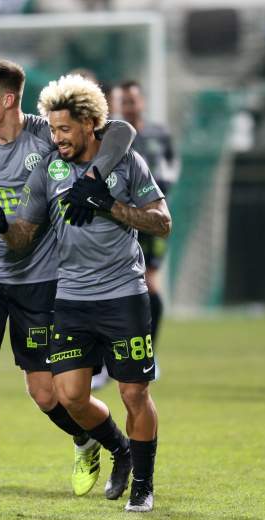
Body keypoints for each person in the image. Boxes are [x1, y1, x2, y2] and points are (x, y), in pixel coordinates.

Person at [0, 60, 135, 516]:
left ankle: (108, 444)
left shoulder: (47, 135)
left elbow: (122, 131)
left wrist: (93, 176)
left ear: (7, 99)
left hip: (41, 283)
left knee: (47, 395)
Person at [0, 74, 171, 512]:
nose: (57, 138)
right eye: (53, 130)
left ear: (89, 123)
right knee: (69, 396)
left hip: (124, 293)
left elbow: (162, 222)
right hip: (70, 298)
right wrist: (2, 229)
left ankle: (143, 486)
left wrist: (110, 205)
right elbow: (24, 236)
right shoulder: (47, 169)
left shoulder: (126, 163)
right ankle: (120, 448)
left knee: (134, 394)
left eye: (65, 129)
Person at [91, 80, 179, 389]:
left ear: (141, 102)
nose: (127, 106)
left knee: (149, 286)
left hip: (147, 219)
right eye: (122, 101)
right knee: (107, 287)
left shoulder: (158, 134)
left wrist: (151, 195)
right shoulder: (110, 137)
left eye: (132, 100)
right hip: (115, 219)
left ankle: (146, 353)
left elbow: (171, 170)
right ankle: (105, 361)